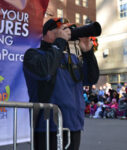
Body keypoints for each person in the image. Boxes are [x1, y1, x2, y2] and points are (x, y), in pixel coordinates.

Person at [23, 18, 99, 150]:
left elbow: (91, 79)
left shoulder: (72, 59)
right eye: (63, 29)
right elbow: (45, 72)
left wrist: (87, 53)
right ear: (48, 32)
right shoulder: (33, 55)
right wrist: (59, 42)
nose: (68, 33)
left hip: (73, 125)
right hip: (47, 126)